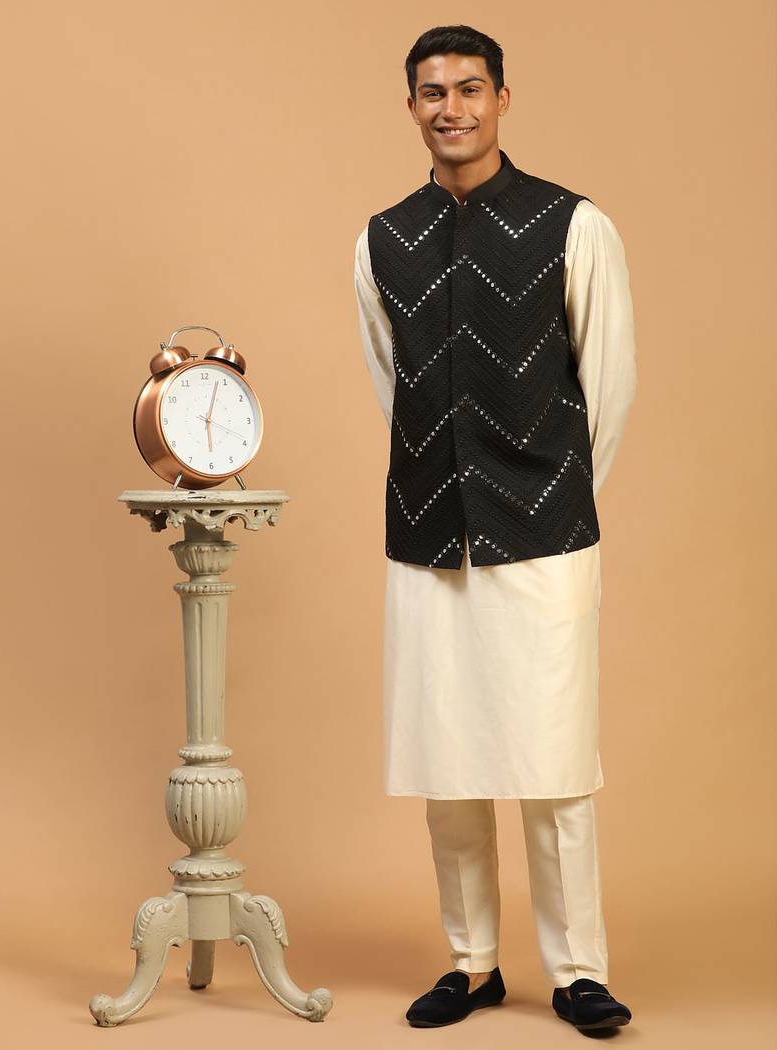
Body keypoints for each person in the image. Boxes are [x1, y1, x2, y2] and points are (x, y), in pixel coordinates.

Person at [353, 24, 637, 1034]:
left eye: (469, 89)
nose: (452, 109)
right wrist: (447, 479)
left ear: (502, 98)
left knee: (555, 763)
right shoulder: (381, 239)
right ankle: (471, 963)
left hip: (546, 530)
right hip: (428, 531)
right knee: (449, 761)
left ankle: (577, 972)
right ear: (411, 107)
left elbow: (607, 381)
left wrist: (551, 496)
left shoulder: (573, 224)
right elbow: (391, 382)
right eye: (432, 92)